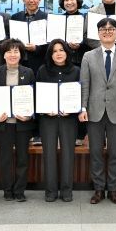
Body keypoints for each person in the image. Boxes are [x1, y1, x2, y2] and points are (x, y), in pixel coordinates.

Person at [80, 18, 116, 205]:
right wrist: (83, 107)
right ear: (98, 33)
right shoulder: (88, 56)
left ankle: (113, 190)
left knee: (115, 153)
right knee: (95, 152)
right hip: (94, 111)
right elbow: (85, 84)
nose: (107, 32)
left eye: (111, 29)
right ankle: (98, 189)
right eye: (103, 29)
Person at [0, 39, 36, 201]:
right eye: (9, 51)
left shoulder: (28, 72)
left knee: (22, 159)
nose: (12, 54)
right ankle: (7, 190)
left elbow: (33, 97)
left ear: (21, 54)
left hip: (22, 124)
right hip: (4, 124)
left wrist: (29, 115)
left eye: (16, 51)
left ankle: (19, 191)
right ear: (3, 55)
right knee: (5, 159)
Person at [35, 39, 80, 202]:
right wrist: (44, 109)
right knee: (49, 154)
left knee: (68, 154)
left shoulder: (76, 71)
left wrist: (73, 109)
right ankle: (50, 191)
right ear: (50, 54)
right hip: (48, 119)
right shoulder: (43, 70)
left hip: (69, 119)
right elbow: (37, 94)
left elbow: (80, 94)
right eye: (54, 51)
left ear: (67, 52)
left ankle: (67, 191)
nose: (58, 53)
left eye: (61, 50)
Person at [11, 0, 48, 146]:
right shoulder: (15, 18)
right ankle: (23, 132)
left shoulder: (47, 18)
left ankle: (38, 132)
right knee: (22, 95)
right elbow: (11, 41)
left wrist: (37, 48)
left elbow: (51, 43)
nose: (31, 0)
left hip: (39, 63)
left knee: (39, 96)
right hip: (19, 63)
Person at [58, 0, 90, 146]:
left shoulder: (86, 19)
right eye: (66, 0)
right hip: (64, 64)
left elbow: (92, 40)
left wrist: (81, 43)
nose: (69, 2)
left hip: (82, 62)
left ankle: (81, 133)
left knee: (81, 96)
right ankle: (65, 131)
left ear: (78, 1)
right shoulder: (58, 20)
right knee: (66, 95)